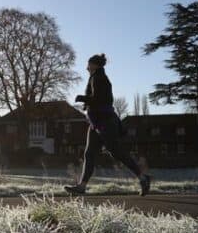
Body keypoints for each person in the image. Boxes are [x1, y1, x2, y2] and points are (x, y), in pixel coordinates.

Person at [65, 54, 152, 196]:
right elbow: (97, 99)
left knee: (115, 152)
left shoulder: (100, 78)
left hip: (105, 121)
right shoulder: (95, 78)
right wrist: (87, 103)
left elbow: (101, 100)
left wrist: (83, 98)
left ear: (95, 65)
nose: (87, 67)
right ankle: (82, 186)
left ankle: (143, 178)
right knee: (89, 154)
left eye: (89, 64)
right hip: (96, 122)